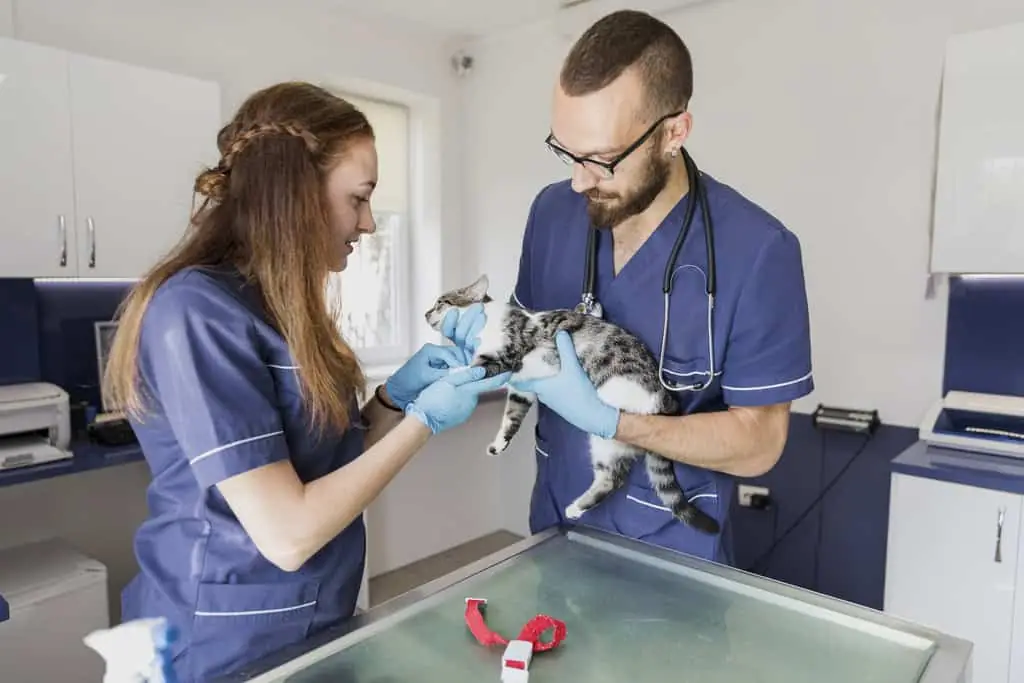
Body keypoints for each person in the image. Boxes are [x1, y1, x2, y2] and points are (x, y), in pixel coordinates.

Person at [102, 81, 508, 682]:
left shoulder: (283, 308)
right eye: (359, 199)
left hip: (310, 622)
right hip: (216, 644)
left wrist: (394, 400)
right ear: (294, 193)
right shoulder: (195, 312)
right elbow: (288, 535)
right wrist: (423, 423)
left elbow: (325, 459)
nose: (368, 223)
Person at [453, 11, 813, 565]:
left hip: (672, 557)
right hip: (556, 530)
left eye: (602, 161)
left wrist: (620, 426)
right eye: (565, 151)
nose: (579, 181)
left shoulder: (759, 251)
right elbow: (523, 341)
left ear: (674, 133)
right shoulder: (551, 214)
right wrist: (474, 354)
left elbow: (759, 443)